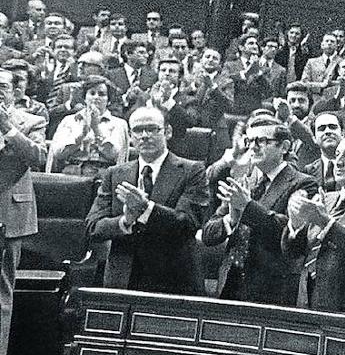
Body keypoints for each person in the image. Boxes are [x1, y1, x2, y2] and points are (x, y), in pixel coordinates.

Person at [85, 106, 209, 294]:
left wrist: (147, 209)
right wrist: (125, 221)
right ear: (131, 137)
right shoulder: (115, 173)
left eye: (152, 129)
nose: (144, 136)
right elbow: (93, 227)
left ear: (167, 132)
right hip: (122, 280)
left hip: (173, 280)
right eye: (137, 130)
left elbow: (188, 223)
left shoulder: (193, 170)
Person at [200, 117, 318, 303]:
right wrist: (231, 219)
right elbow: (208, 234)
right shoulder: (243, 180)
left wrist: (247, 207)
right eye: (249, 141)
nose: (253, 147)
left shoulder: (304, 183)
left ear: (285, 147)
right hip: (230, 282)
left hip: (272, 289)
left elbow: (289, 234)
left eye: (261, 141)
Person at [283, 131, 345, 311]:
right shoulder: (326, 199)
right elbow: (293, 253)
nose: (338, 162)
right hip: (306, 301)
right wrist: (295, 224)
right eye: (338, 154)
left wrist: (327, 224)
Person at [0, 68, 47, 355]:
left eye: (2, 87)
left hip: (8, 214)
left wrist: (6, 127)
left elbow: (39, 157)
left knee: (1, 288)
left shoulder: (31, 121)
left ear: (15, 92)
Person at [48, 75, 128, 177]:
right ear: (85, 98)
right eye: (92, 93)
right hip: (71, 173)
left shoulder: (118, 124)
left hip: (102, 174)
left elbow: (115, 155)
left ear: (108, 100)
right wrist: (82, 135)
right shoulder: (69, 120)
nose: (96, 97)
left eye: (102, 94)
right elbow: (58, 153)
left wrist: (96, 129)